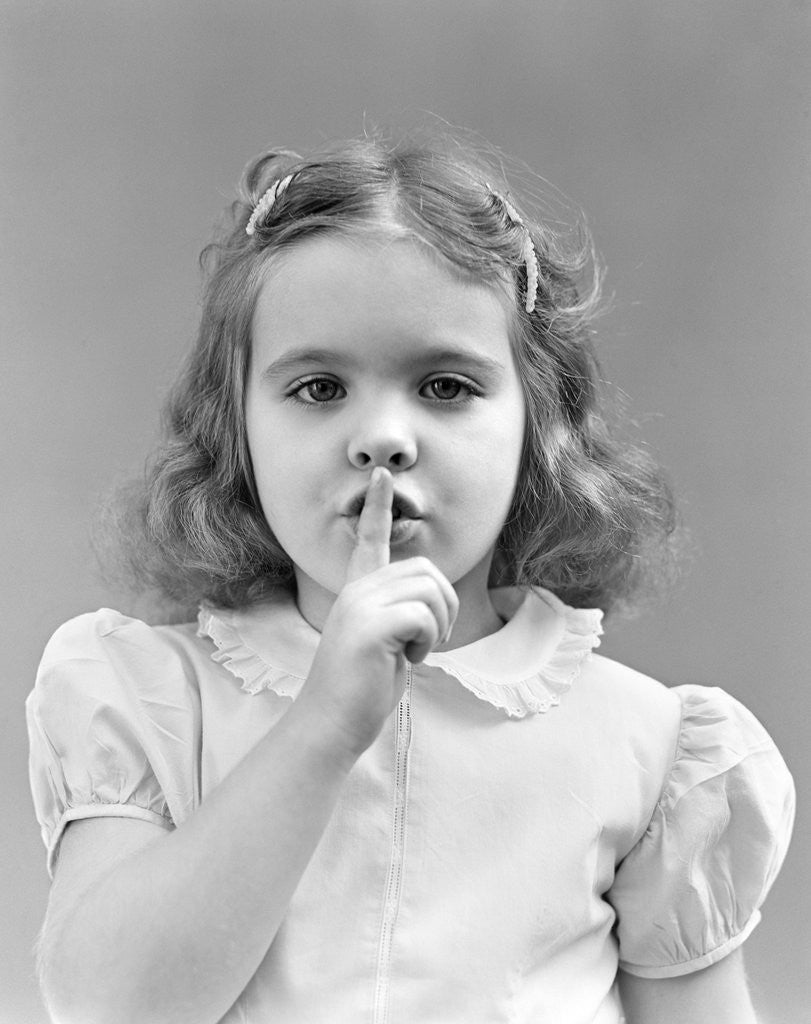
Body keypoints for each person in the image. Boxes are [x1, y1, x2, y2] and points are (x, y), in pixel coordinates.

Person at [26, 133, 794, 1024]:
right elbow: (108, 1006)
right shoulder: (154, 701)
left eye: (444, 386)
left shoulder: (647, 745)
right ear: (236, 433)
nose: (382, 436)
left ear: (536, 429)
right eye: (318, 388)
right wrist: (321, 725)